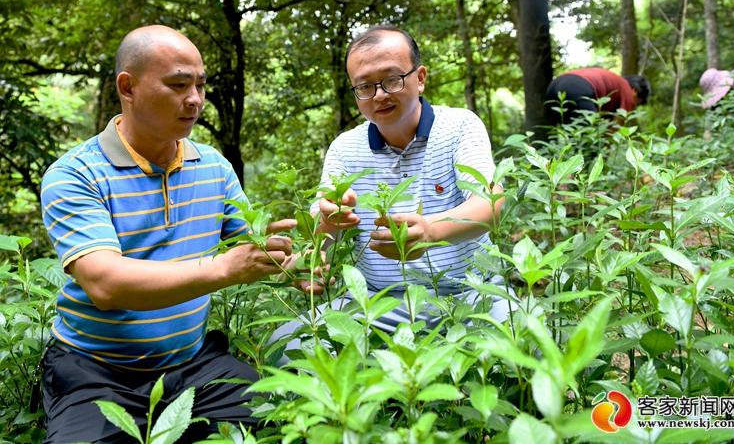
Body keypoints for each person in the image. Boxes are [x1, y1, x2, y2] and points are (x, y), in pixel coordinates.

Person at [40, 25, 298, 443]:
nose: (194, 99)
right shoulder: (75, 174)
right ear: (128, 86)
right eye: (178, 84)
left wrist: (303, 252)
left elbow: (249, 246)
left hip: (194, 365)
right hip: (95, 370)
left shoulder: (212, 165)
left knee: (281, 422)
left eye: (199, 84)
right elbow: (106, 283)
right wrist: (223, 269)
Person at [274, 24, 509, 350]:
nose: (380, 94)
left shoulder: (459, 126)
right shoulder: (345, 148)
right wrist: (326, 226)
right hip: (377, 304)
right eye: (365, 86)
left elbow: (491, 204)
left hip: (468, 295)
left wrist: (430, 231)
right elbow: (322, 223)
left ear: (420, 77)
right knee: (288, 344)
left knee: (525, 339)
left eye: (392, 79)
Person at [544, 67, 651, 124]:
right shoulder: (626, 88)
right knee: (591, 140)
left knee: (555, 135)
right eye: (637, 102)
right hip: (578, 88)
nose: (633, 106)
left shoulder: (614, 83)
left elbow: (606, 118)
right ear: (635, 91)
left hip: (555, 85)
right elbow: (618, 123)